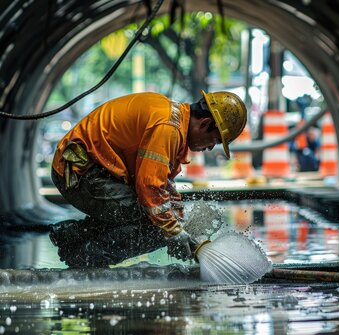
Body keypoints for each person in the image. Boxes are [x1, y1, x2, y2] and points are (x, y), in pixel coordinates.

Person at [49, 90, 247, 267]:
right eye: (216, 140)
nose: (212, 147)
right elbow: (150, 187)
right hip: (79, 172)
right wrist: (174, 232)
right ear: (204, 124)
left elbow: (162, 184)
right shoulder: (168, 127)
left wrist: (180, 222)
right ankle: (88, 258)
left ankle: (73, 235)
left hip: (89, 169)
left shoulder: (174, 121)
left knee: (162, 219)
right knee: (158, 228)